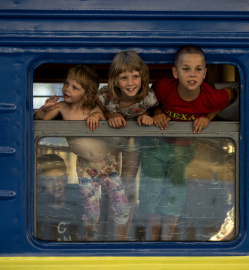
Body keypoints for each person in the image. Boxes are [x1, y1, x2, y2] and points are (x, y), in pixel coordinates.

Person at [139, 45, 235, 241]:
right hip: (156, 146)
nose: (192, 74)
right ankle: (153, 242)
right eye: (186, 69)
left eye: (198, 69)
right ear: (175, 72)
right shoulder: (164, 87)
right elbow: (151, 103)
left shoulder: (211, 96)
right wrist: (158, 114)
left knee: (175, 194)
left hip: (184, 149)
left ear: (205, 73)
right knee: (152, 191)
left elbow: (232, 94)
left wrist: (208, 116)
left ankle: (166, 243)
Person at [34, 65, 130, 241]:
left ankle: (119, 236)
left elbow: (100, 115)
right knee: (91, 209)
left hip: (107, 163)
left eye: (74, 87)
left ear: (86, 95)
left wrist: (95, 116)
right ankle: (90, 238)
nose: (67, 89)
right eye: (66, 84)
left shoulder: (93, 107)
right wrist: (44, 109)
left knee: (121, 204)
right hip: (85, 166)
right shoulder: (62, 107)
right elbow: (42, 119)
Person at [93, 50, 159, 239]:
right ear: (114, 80)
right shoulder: (105, 95)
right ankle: (107, 232)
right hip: (111, 141)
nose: (130, 83)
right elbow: (94, 109)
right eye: (124, 77)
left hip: (133, 142)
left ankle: (121, 235)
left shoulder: (149, 97)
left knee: (128, 184)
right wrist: (108, 115)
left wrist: (150, 116)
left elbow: (158, 110)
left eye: (135, 76)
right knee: (111, 182)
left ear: (143, 76)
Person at [36, 154, 85, 242]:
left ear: (66, 177)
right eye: (49, 180)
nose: (56, 184)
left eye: (60, 177)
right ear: (41, 182)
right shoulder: (37, 207)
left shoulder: (79, 199)